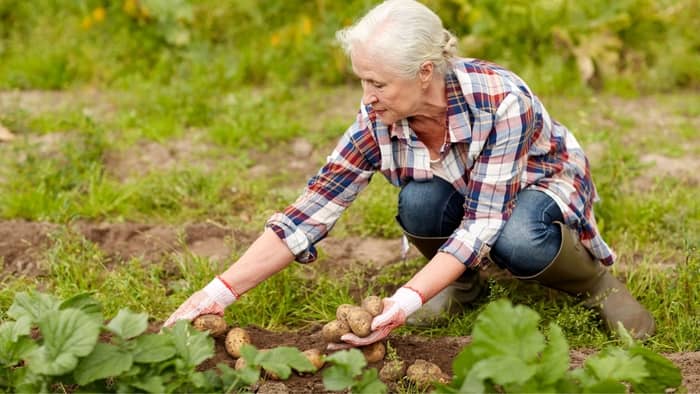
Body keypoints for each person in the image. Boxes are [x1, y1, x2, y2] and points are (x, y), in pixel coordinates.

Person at [164, 0, 655, 344]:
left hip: (536, 180)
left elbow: (483, 222)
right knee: (417, 203)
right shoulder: (377, 117)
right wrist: (218, 291)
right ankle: (464, 290)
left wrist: (403, 300)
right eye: (362, 80)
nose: (366, 96)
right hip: (467, 188)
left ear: (425, 71)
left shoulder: (503, 101)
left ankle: (596, 285)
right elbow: (310, 211)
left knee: (517, 238)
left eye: (377, 82)